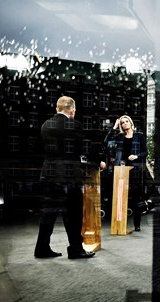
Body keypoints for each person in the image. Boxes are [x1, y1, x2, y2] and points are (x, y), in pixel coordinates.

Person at [34, 96, 105, 259]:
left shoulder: (45, 125)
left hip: (48, 174)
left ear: (57, 109)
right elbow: (85, 147)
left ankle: (42, 248)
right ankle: (75, 249)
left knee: (48, 213)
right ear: (72, 109)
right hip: (68, 176)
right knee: (73, 214)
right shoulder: (73, 124)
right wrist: (98, 161)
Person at [111, 115, 148, 232]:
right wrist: (114, 127)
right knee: (121, 197)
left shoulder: (139, 136)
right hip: (121, 171)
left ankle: (137, 224)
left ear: (131, 123)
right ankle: (120, 224)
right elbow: (107, 142)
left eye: (127, 121)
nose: (125, 123)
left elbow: (145, 152)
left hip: (135, 171)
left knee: (136, 199)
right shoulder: (120, 137)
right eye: (122, 123)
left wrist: (136, 156)